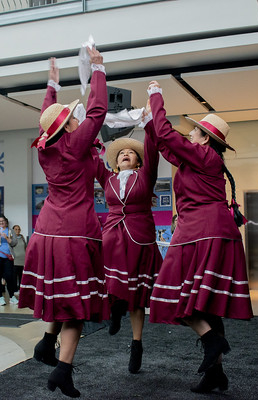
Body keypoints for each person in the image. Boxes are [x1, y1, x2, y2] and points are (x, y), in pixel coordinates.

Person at [146, 81, 253, 393]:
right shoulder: (201, 159)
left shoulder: (205, 158)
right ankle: (215, 373)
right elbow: (165, 143)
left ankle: (211, 340)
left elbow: (167, 137)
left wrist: (155, 96)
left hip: (201, 232)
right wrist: (149, 123)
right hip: (207, 231)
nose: (188, 134)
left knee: (176, 297)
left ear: (205, 139)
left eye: (193, 132)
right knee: (203, 305)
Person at [18, 48, 109, 398]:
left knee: (63, 297)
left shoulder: (47, 147)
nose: (78, 117)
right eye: (73, 117)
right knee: (78, 305)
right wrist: (98, 69)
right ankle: (63, 370)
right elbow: (99, 111)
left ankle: (45, 344)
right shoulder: (74, 143)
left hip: (46, 231)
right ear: (69, 127)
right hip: (75, 232)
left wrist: (52, 84)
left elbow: (47, 118)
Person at [94, 109, 162, 374]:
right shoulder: (108, 179)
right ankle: (114, 309)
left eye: (131, 153)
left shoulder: (146, 176)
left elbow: (153, 150)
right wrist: (89, 133)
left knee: (137, 298)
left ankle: (137, 345)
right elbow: (93, 161)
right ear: (116, 161)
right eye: (121, 152)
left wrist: (148, 123)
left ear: (137, 162)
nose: (125, 154)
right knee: (108, 280)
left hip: (139, 237)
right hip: (112, 235)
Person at [0, 214, 18, 305]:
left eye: (3, 221)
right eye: (0, 222)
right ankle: (0, 298)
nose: (1, 223)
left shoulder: (10, 231)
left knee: (9, 276)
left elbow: (14, 243)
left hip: (8, 257)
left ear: (6, 222)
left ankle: (12, 297)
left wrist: (6, 238)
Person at [12, 225, 27, 294]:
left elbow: (26, 248)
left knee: (22, 276)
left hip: (23, 260)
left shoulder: (22, 237)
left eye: (18, 229)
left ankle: (21, 289)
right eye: (16, 229)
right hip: (15, 260)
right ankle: (15, 290)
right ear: (13, 230)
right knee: (14, 276)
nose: (17, 231)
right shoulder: (11, 238)